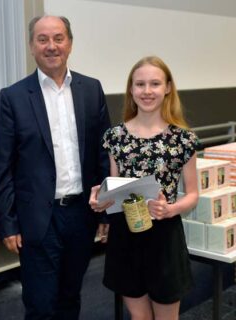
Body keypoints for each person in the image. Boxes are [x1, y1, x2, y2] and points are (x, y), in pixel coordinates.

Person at [0, 15, 111, 319]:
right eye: (42, 39)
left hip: (81, 215)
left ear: (70, 43)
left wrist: (108, 211)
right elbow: (4, 166)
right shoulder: (14, 97)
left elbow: (102, 154)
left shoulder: (91, 89)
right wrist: (8, 222)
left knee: (71, 298)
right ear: (32, 46)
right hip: (38, 220)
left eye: (58, 38)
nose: (51, 46)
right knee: (41, 304)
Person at [90, 56, 200, 320]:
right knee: (139, 318)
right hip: (125, 236)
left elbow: (194, 195)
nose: (147, 91)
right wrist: (101, 198)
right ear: (131, 89)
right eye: (140, 84)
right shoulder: (115, 137)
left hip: (164, 237)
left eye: (154, 83)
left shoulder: (183, 139)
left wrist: (171, 209)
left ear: (168, 88)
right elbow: (115, 186)